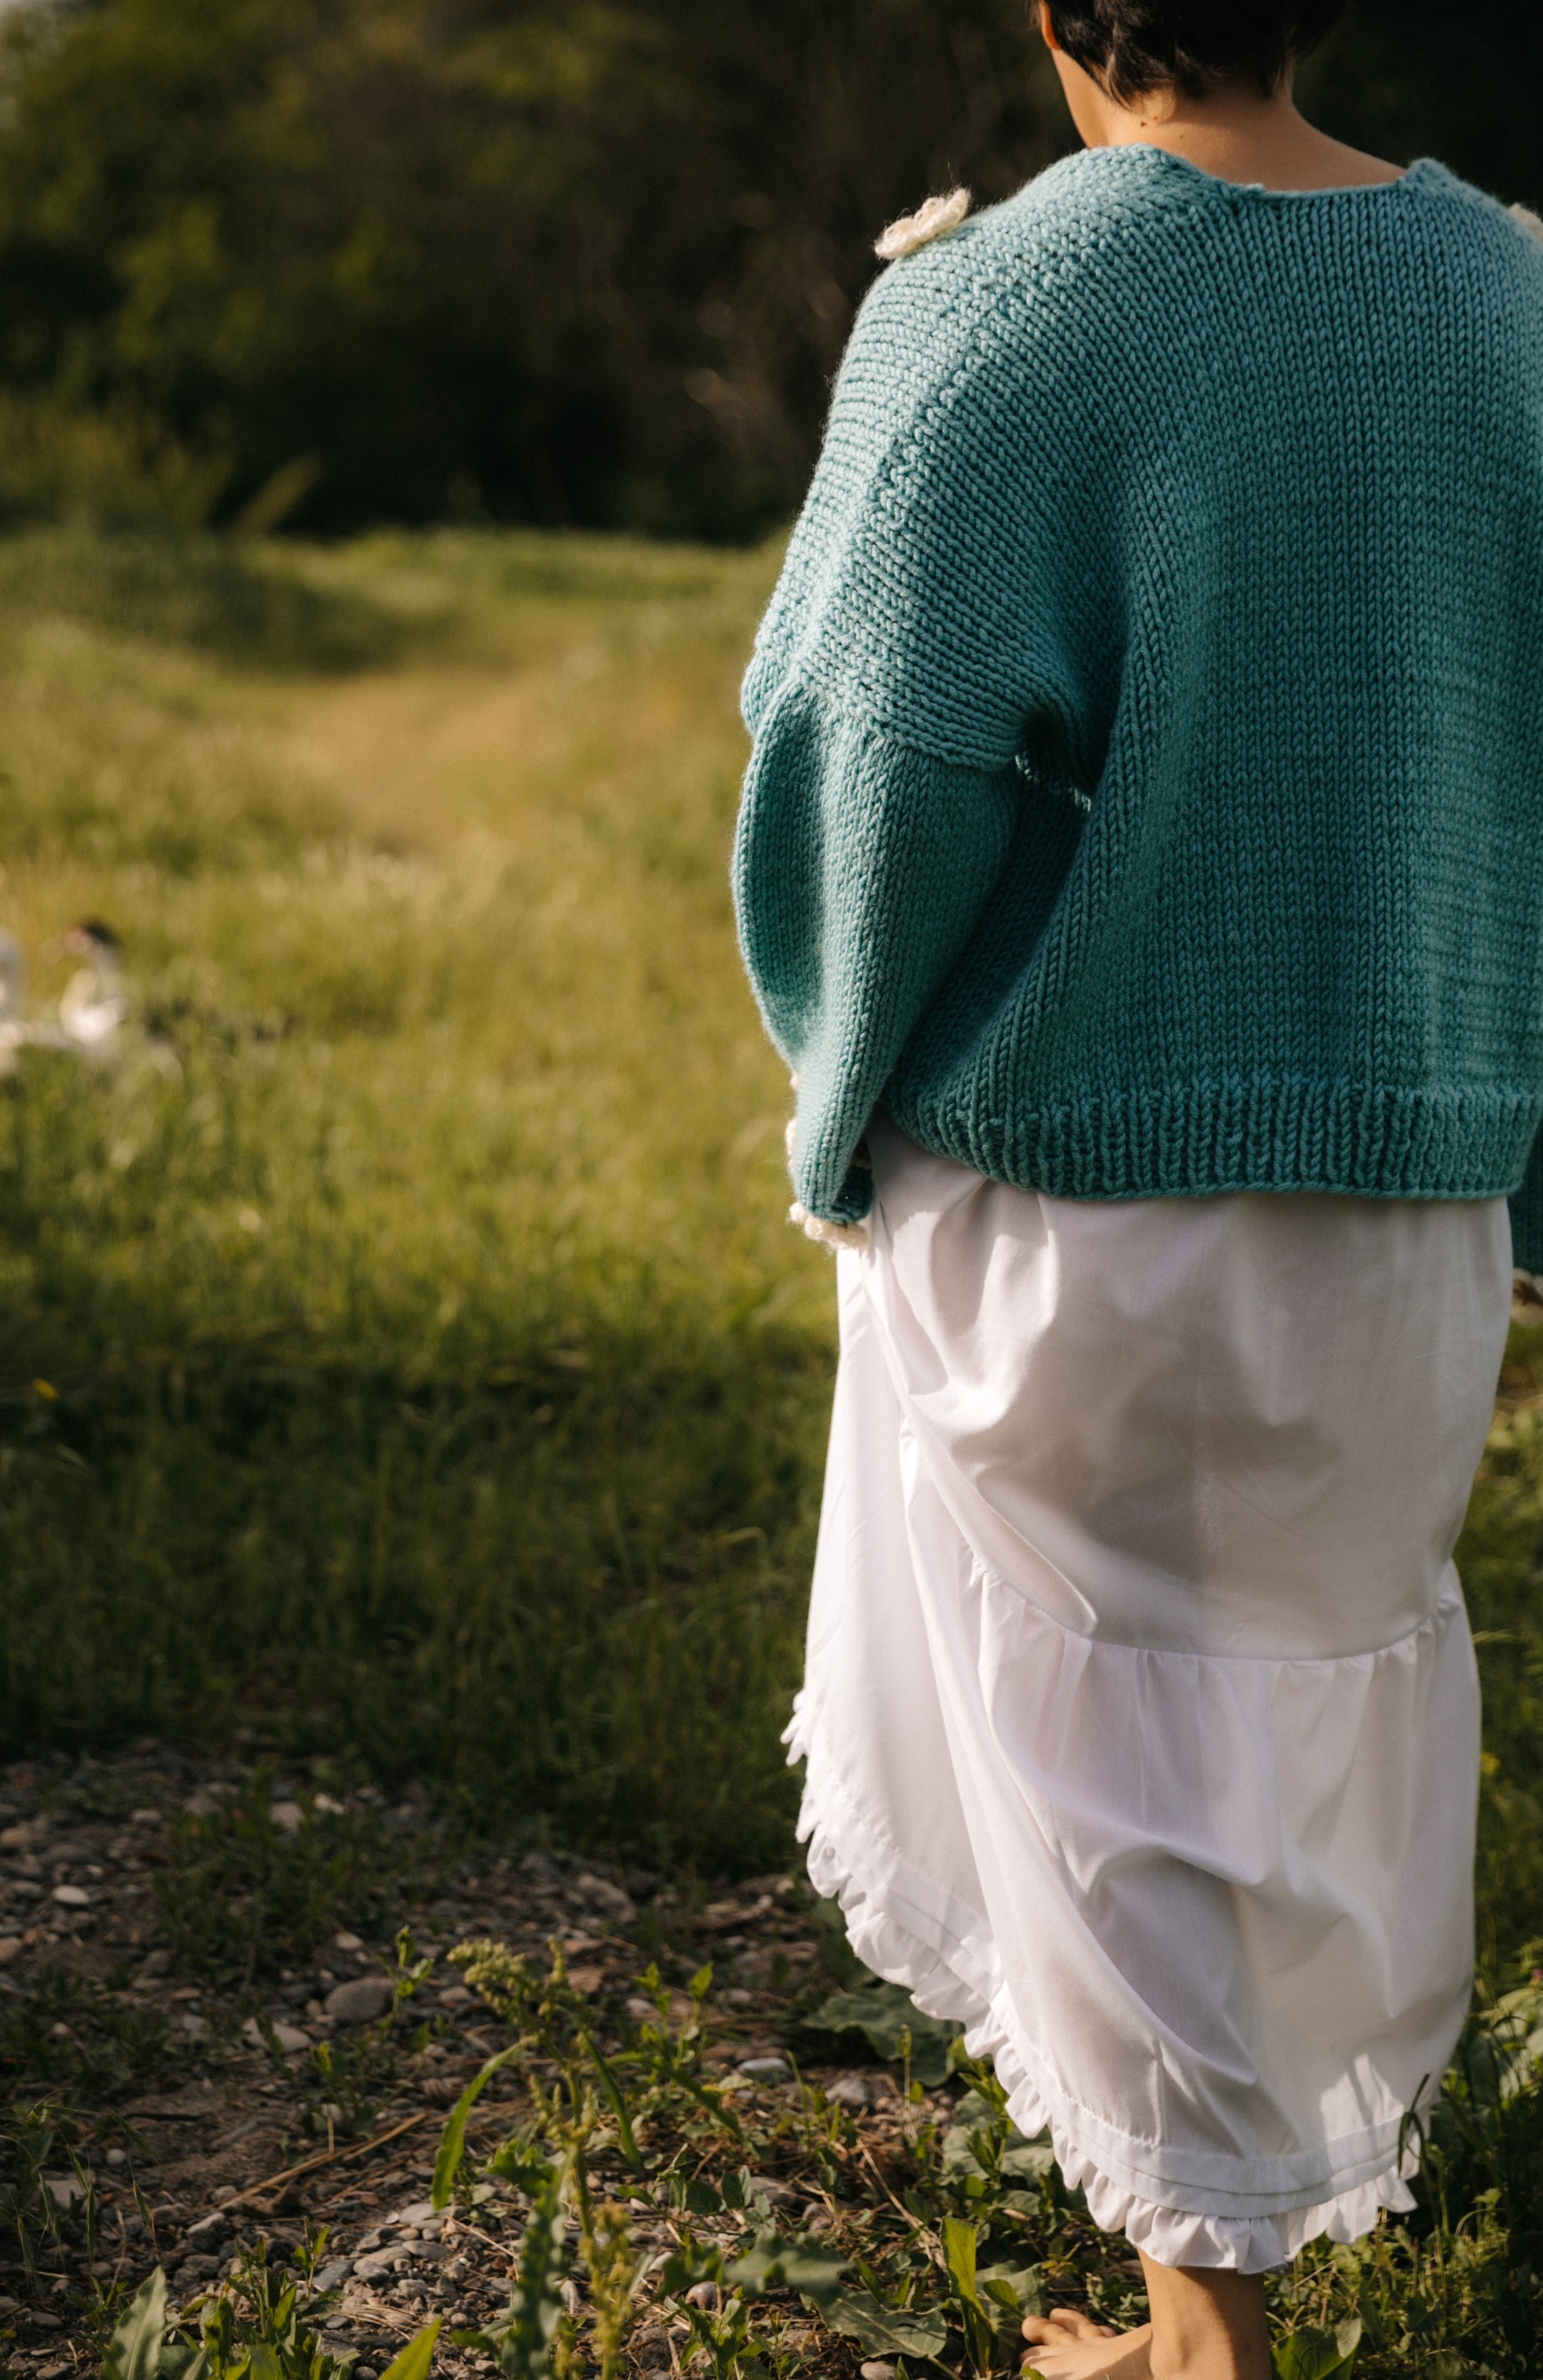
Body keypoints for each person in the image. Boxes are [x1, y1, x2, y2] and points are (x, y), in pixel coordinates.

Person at [731, 4, 1543, 2375]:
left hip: (1089, 1189)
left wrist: (844, 1081)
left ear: (1063, 9)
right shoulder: (1517, 295)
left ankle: (1203, 2348)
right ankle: (1218, 2293)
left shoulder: (982, 310)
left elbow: (863, 763)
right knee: (1283, 1729)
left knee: (1130, 1762)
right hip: (1413, 1202)